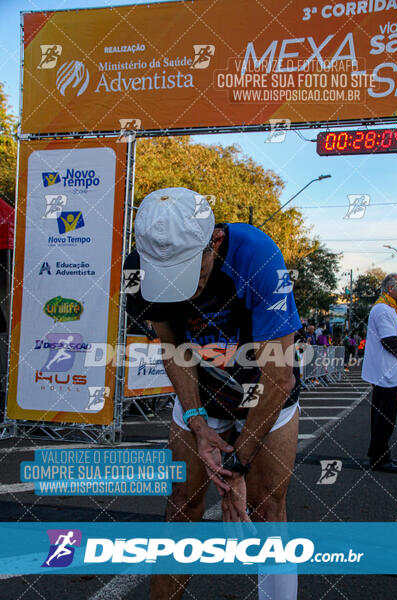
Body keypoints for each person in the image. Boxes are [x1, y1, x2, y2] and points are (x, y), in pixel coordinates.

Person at [124, 188, 302, 600]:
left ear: (215, 241)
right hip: (202, 385)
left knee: (266, 511)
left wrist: (237, 465)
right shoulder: (138, 268)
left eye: (193, 273)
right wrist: (198, 424)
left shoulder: (257, 255)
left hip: (263, 389)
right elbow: (171, 349)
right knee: (181, 505)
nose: (187, 292)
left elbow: (279, 378)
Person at [362, 273, 397, 473]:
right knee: (384, 419)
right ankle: (379, 458)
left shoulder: (390, 308)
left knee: (383, 418)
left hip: (388, 373)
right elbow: (390, 341)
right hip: (386, 374)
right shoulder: (383, 309)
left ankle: (379, 454)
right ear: (391, 288)